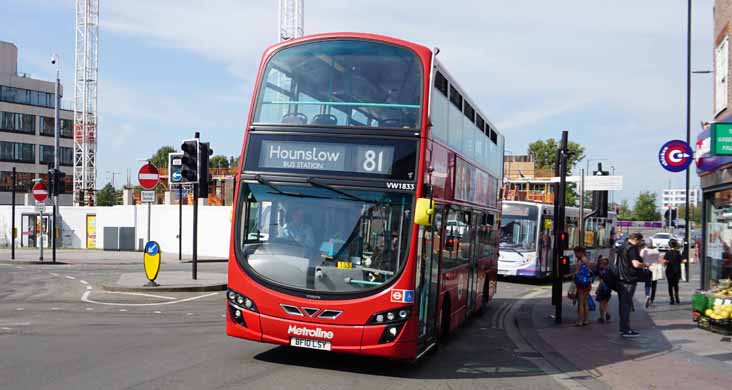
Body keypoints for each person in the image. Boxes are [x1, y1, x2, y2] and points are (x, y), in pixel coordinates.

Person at [617, 232, 649, 337]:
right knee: (626, 305)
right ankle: (626, 329)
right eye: (640, 241)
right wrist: (645, 265)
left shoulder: (623, 246)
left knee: (623, 304)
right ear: (636, 239)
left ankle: (623, 327)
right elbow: (635, 264)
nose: (640, 243)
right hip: (629, 279)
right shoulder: (632, 248)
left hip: (621, 278)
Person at [573, 246, 593, 327]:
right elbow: (589, 271)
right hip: (587, 283)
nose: (575, 255)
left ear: (579, 252)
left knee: (580, 303)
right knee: (585, 302)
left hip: (581, 284)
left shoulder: (580, 261)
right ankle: (586, 320)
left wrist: (569, 275)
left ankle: (580, 321)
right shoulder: (587, 260)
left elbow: (577, 273)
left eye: (576, 253)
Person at [639, 241, 662, 308]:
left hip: (647, 268)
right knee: (654, 284)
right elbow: (659, 260)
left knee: (647, 283)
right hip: (655, 268)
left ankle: (647, 295)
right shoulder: (656, 251)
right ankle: (652, 299)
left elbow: (641, 258)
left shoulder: (644, 250)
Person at [664, 239, 684, 305]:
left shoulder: (667, 253)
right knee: (676, 285)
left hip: (669, 271)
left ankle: (672, 299)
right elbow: (681, 261)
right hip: (677, 271)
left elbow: (665, 262)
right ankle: (677, 297)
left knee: (670, 285)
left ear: (669, 245)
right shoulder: (678, 253)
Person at [595, 256, 612, 323]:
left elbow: (601, 281)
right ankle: (607, 312)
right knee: (606, 302)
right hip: (609, 288)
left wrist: (597, 289)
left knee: (601, 303)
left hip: (602, 288)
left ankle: (602, 317)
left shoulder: (601, 271)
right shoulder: (609, 270)